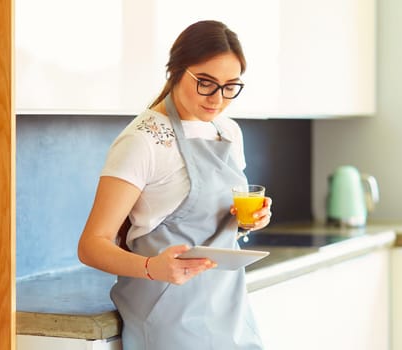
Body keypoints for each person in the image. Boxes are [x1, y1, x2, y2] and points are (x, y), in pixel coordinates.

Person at [77, 20, 272, 350]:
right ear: (176, 71)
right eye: (206, 83)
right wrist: (153, 268)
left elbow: (208, 224)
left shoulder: (227, 132)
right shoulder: (143, 142)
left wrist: (245, 221)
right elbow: (91, 245)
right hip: (169, 318)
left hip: (229, 309)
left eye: (230, 87)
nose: (218, 99)